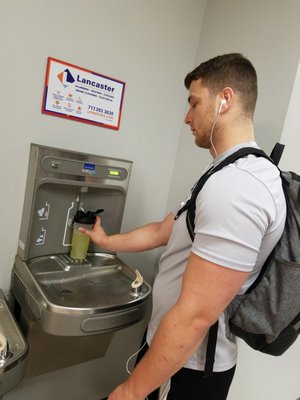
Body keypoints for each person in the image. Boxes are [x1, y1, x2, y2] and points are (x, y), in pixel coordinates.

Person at [80, 53, 286, 400]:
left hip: (189, 370)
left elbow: (195, 316)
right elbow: (168, 229)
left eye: (194, 103)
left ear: (225, 99)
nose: (187, 117)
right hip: (168, 350)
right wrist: (107, 239)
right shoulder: (225, 173)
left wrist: (131, 391)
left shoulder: (238, 187)